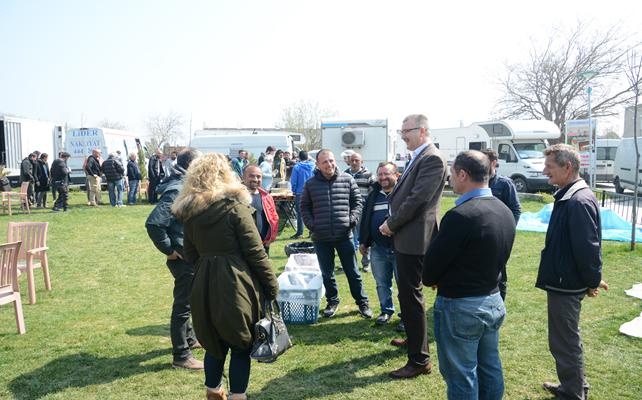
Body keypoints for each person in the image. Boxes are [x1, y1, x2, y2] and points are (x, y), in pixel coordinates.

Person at [171, 153, 279, 400]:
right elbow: (256, 253)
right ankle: (237, 396)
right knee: (240, 344)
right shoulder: (236, 209)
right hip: (235, 283)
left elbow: (190, 253)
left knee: (213, 343)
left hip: (203, 283)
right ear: (225, 176)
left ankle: (212, 391)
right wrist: (272, 287)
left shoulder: (191, 214)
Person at [423, 150, 516, 399]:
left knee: (461, 375)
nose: (450, 179)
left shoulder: (461, 216)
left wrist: (435, 278)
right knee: (490, 367)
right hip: (492, 300)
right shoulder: (504, 210)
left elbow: (430, 270)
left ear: (463, 174)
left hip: (462, 306)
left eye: (452, 173)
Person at [537, 144, 608, 400]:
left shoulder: (577, 200)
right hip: (563, 281)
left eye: (550, 166)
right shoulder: (570, 195)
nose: (545, 171)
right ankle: (573, 386)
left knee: (564, 342)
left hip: (566, 284)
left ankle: (573, 392)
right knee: (564, 340)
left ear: (568, 167)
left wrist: (592, 281)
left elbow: (588, 247)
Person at [379, 114, 447, 379]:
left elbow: (418, 199)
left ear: (422, 130)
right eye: (401, 130)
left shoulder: (431, 157)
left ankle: (419, 360)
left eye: (405, 131)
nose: (402, 135)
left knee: (411, 296)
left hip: (415, 237)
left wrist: (391, 224)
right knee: (407, 294)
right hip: (409, 235)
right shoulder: (419, 155)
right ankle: (414, 339)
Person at [145, 148, 204, 371]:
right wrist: (169, 249)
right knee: (183, 305)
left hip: (189, 254)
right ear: (191, 166)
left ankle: (189, 340)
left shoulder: (185, 185)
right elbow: (154, 223)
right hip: (182, 257)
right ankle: (181, 355)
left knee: (190, 300)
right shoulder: (178, 189)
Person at [300, 149, 373, 319]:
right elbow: (304, 207)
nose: (329, 164)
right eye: (325, 162)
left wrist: (351, 220)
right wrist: (312, 225)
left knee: (353, 272)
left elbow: (357, 203)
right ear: (317, 164)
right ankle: (332, 300)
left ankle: (362, 302)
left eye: (331, 160)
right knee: (327, 273)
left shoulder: (347, 180)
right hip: (321, 237)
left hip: (344, 235)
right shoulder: (310, 184)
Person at [359, 162, 399, 325]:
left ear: (396, 175)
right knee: (382, 283)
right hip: (378, 248)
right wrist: (364, 241)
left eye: (387, 174)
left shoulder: (403, 194)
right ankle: (386, 310)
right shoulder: (373, 195)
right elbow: (366, 220)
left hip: (400, 248)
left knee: (404, 285)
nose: (383, 177)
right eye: (380, 174)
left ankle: (406, 315)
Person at [481, 148, 521, 300]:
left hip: (499, 237)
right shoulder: (476, 182)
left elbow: (516, 209)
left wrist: (507, 231)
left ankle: (499, 303)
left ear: (494, 163)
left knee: (500, 272)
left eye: (484, 162)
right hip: (479, 235)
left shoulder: (504, 184)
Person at [346, 152, 375, 272]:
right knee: (348, 237)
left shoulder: (369, 175)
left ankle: (366, 263)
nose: (354, 163)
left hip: (362, 210)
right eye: (352, 160)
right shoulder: (345, 174)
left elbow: (372, 193)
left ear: (361, 162)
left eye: (356, 160)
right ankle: (351, 263)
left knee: (364, 237)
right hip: (347, 210)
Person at [242, 164, 279, 255]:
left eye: (258, 177)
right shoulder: (237, 197)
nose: (255, 179)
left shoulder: (266, 197)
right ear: (243, 177)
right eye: (251, 176)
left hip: (263, 245)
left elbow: (274, 218)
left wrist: (270, 238)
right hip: (243, 246)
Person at [289, 150, 315, 239]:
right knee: (312, 211)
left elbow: (293, 181)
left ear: (299, 157)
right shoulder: (313, 166)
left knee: (300, 213)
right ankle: (312, 231)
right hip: (312, 191)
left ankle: (300, 232)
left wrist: (293, 191)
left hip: (300, 192)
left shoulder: (297, 167)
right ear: (307, 157)